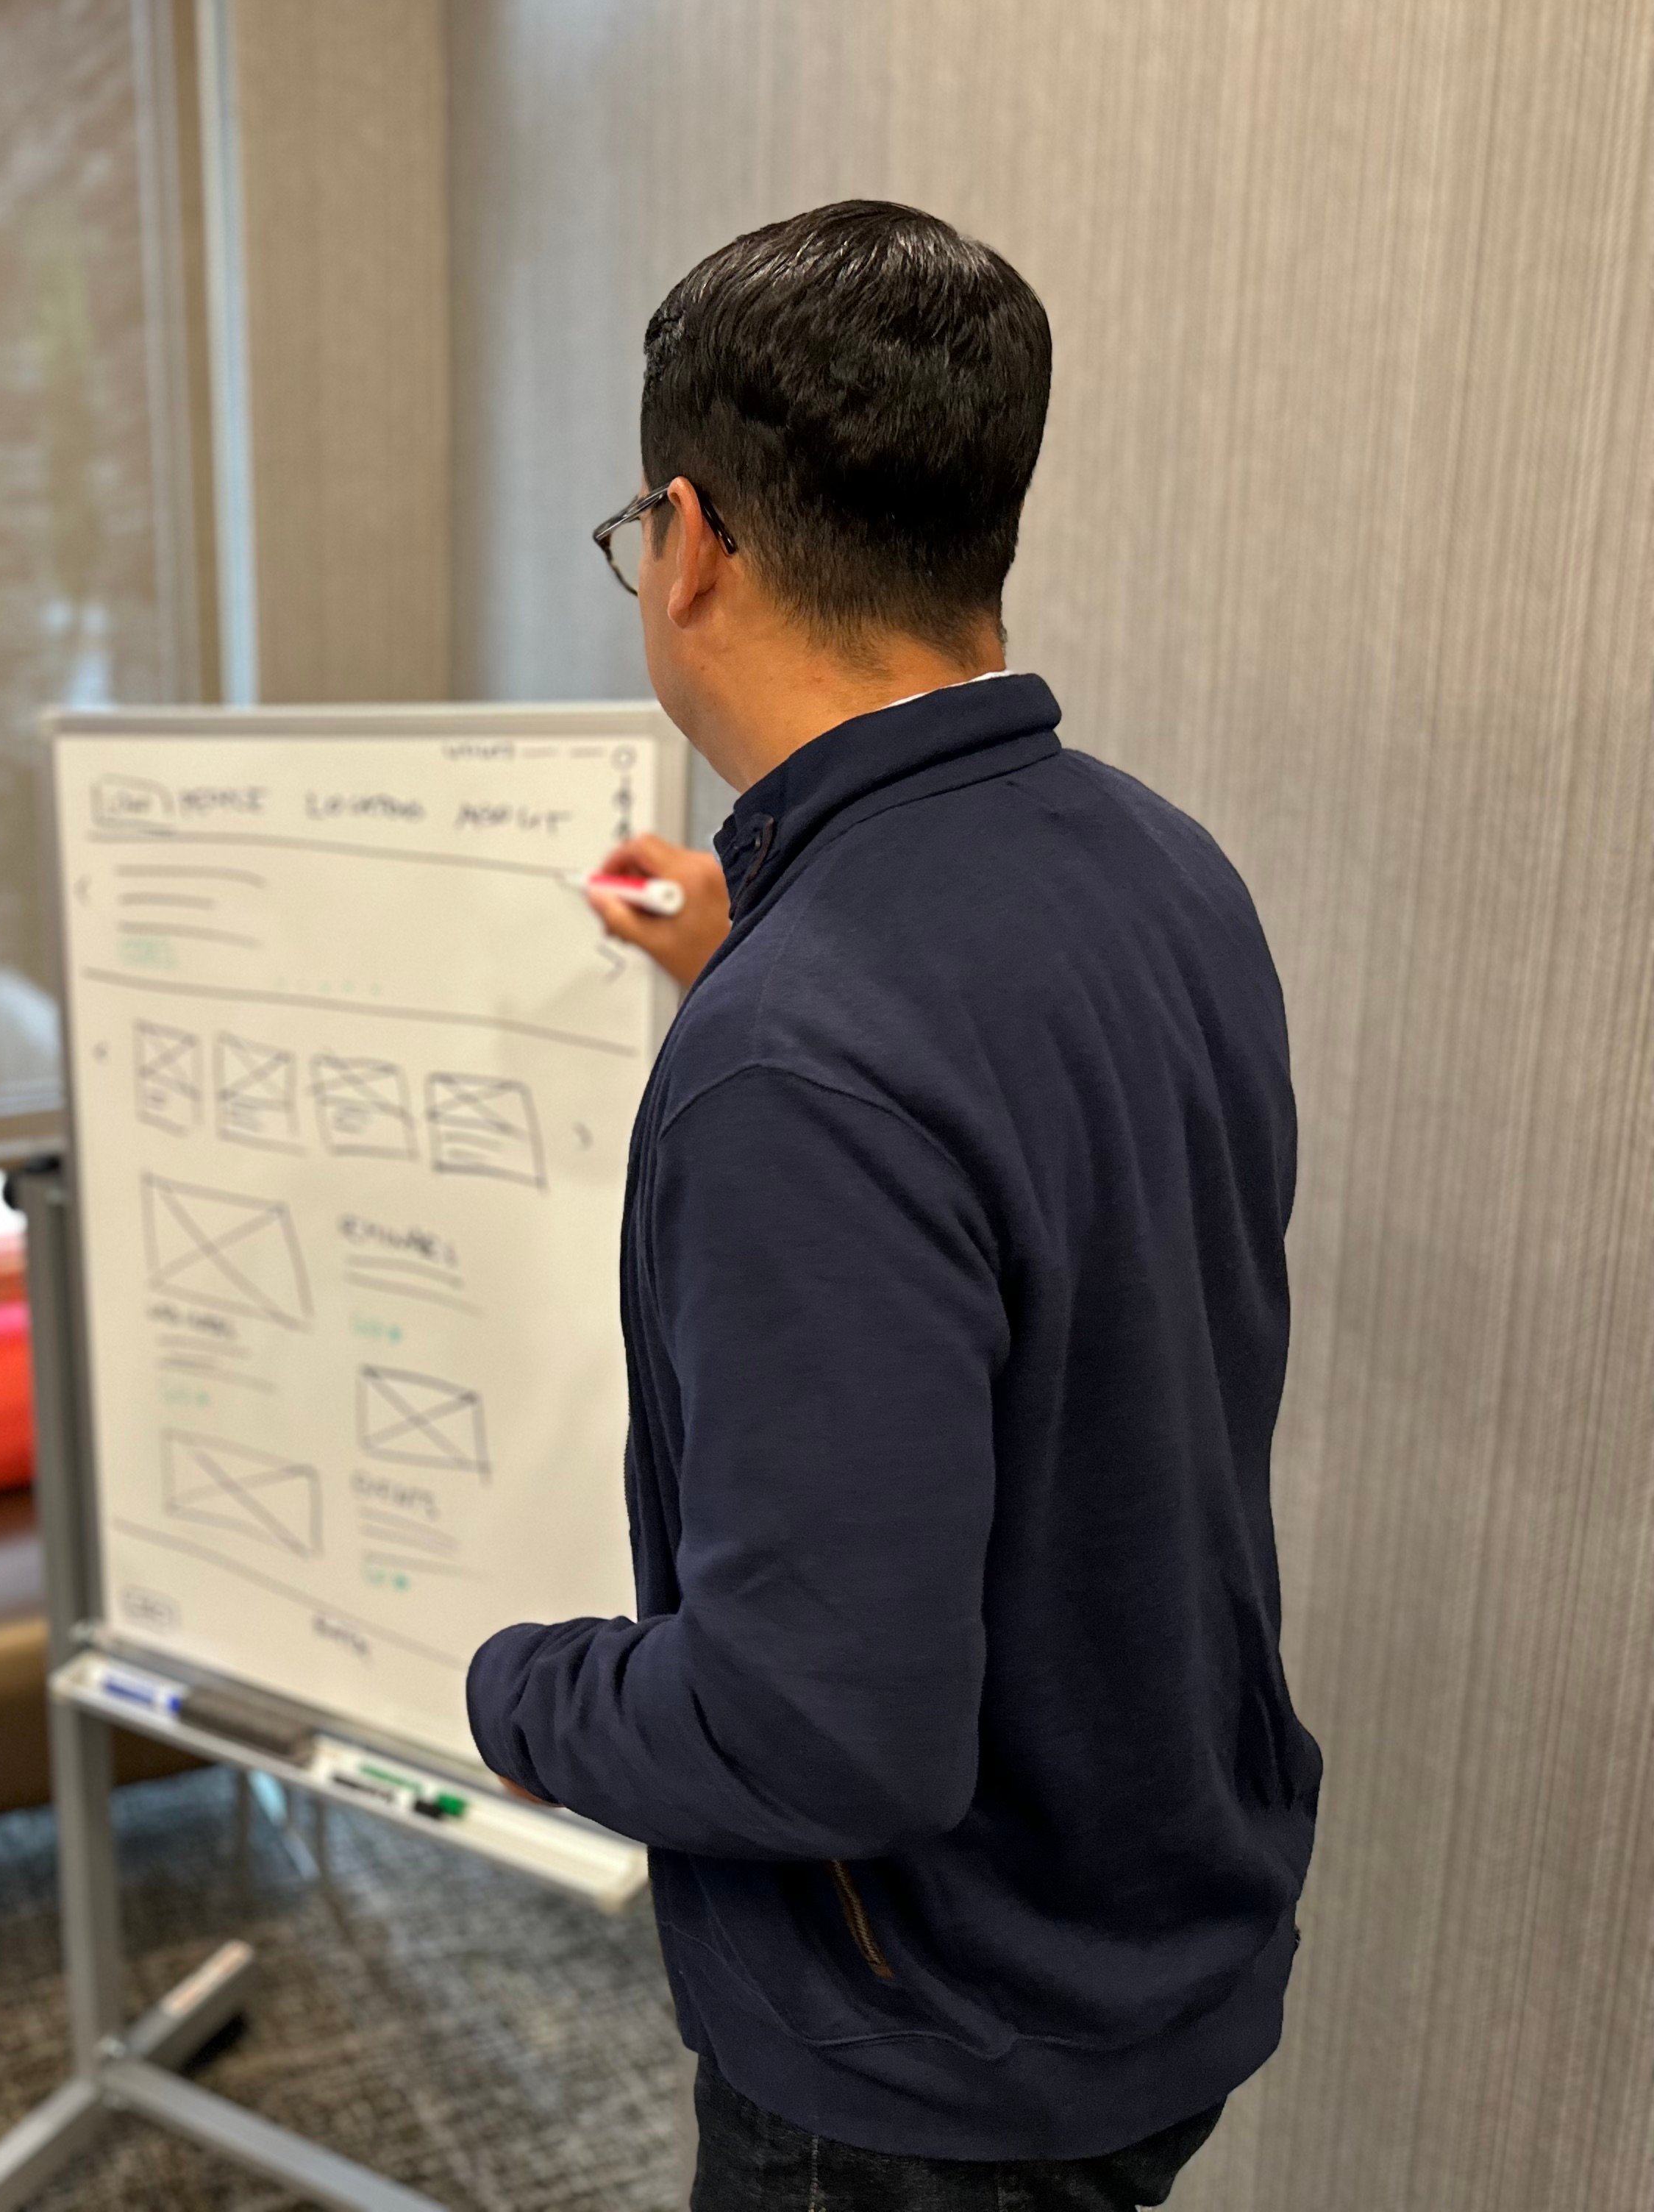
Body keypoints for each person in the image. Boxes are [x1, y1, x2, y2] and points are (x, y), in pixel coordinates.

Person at [468, 202, 1319, 2212]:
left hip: (923, 2065)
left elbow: (821, 1736)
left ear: (693, 544)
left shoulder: (802, 1065)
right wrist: (758, 950)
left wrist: (516, 1690)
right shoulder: (1156, 865)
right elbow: (1010, 1160)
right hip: (1154, 1927)